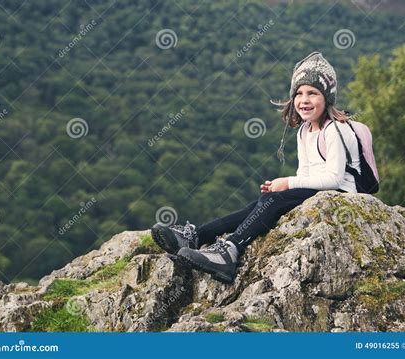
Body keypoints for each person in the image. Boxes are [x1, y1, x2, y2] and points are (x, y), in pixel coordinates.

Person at [151, 52, 361, 283]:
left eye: (313, 93)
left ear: (327, 98)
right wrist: (285, 187)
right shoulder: (304, 131)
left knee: (271, 201)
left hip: (342, 194)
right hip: (320, 190)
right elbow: (307, 174)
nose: (304, 100)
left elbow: (334, 177)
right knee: (262, 202)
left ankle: (230, 251)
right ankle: (197, 236)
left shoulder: (335, 130)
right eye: (299, 93)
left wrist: (288, 183)